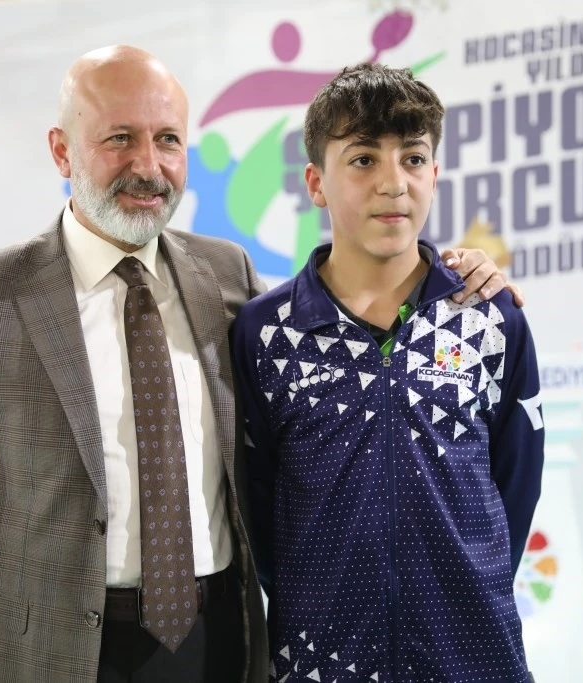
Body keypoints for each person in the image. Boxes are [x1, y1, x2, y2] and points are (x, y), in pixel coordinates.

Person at [0, 46, 519, 683]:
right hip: (54, 657)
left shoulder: (227, 278)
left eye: (168, 139)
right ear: (62, 151)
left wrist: (457, 273)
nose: (148, 165)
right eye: (120, 138)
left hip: (219, 642)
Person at [230, 63, 545, 683]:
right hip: (320, 657)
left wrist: (469, 584)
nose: (393, 183)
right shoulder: (266, 332)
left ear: (435, 175)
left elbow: (516, 481)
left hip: (472, 654)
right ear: (316, 183)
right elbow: (255, 501)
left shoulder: (490, 316)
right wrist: (310, 594)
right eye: (363, 159)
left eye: (413, 158)